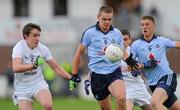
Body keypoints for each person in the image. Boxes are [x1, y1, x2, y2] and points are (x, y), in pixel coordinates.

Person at [72, 5, 138, 110]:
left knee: (121, 98)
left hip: (114, 71)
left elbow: (122, 51)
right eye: (104, 19)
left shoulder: (117, 33)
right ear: (98, 17)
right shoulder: (89, 33)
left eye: (109, 19)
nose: (107, 22)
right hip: (97, 75)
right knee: (106, 108)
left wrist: (128, 60)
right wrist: (74, 74)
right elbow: (78, 53)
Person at [12, 23, 80, 110]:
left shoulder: (43, 49)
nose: (37, 38)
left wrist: (71, 77)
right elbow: (15, 68)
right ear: (26, 36)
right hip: (22, 87)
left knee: (48, 105)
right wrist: (33, 65)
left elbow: (55, 67)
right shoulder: (19, 48)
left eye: (38, 35)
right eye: (34, 35)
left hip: (37, 84)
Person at [131, 15, 180, 110]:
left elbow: (177, 44)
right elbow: (130, 65)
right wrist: (142, 66)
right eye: (142, 25)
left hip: (167, 77)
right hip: (153, 84)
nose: (144, 27)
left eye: (147, 24)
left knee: (155, 102)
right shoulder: (136, 45)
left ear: (153, 26)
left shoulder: (162, 41)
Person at [120, 29, 154, 110]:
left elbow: (148, 64)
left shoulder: (136, 51)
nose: (123, 42)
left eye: (125, 39)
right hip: (126, 89)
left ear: (130, 40)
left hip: (140, 88)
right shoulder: (114, 53)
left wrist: (139, 68)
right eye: (121, 40)